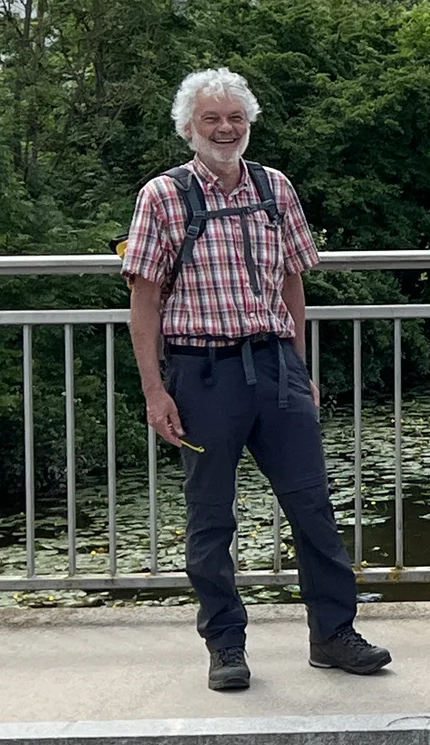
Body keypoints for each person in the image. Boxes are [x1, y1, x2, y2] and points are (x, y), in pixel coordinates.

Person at [125, 68, 391, 692]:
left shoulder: (275, 188)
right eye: (211, 119)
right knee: (211, 516)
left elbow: (295, 279)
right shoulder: (163, 197)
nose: (225, 129)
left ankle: (333, 633)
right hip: (200, 373)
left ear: (249, 123)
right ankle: (225, 644)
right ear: (188, 128)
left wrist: (298, 365)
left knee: (314, 506)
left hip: (275, 368)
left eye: (235, 118)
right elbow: (143, 297)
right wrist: (154, 390)